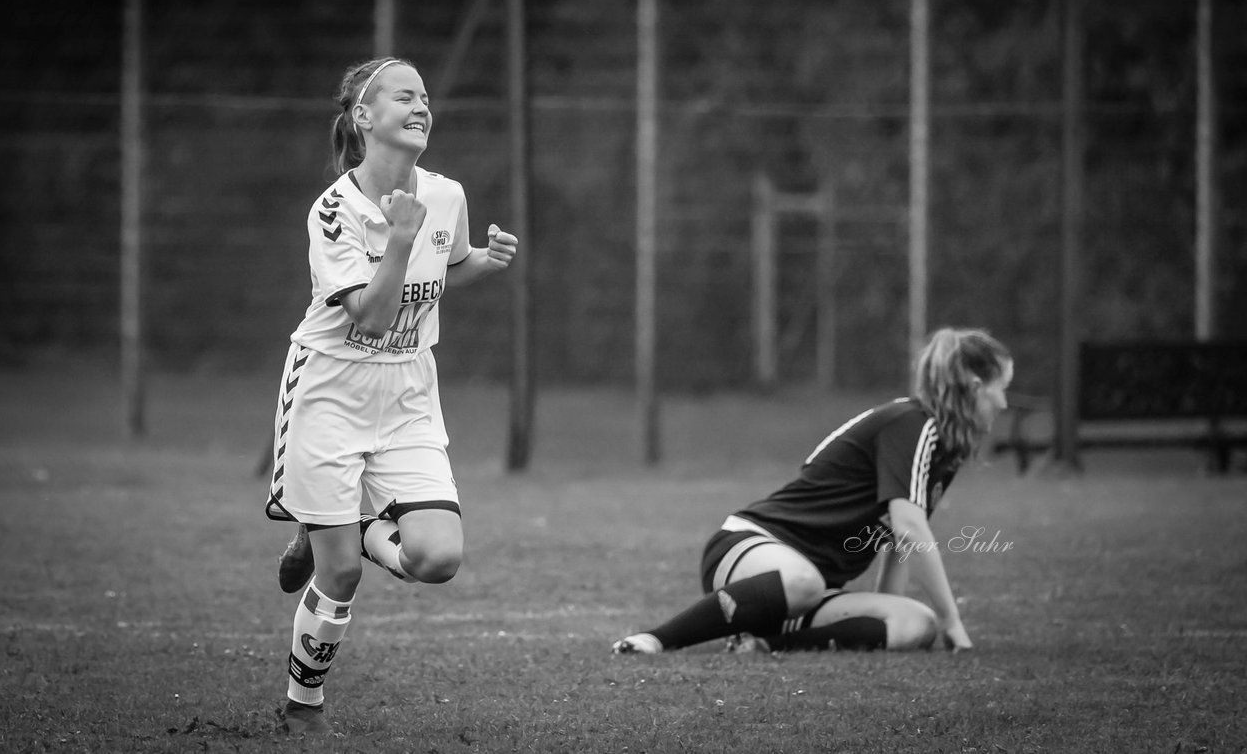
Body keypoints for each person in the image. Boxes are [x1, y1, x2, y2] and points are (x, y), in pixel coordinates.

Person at [263, 57, 519, 736]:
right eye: (404, 96)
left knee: (437, 557)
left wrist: (481, 263)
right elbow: (371, 316)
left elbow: (445, 266)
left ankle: (329, 524)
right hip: (330, 388)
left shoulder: (447, 194)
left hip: (408, 388)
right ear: (363, 118)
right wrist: (400, 237)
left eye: (426, 97)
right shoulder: (333, 212)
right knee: (340, 575)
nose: (422, 106)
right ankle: (302, 706)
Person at [612, 327, 1012, 656]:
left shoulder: (944, 452)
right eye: (1002, 388)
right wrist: (954, 625)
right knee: (805, 581)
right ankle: (656, 639)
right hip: (747, 549)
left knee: (915, 623)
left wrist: (896, 607)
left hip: (808, 587)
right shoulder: (912, 425)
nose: (1004, 403)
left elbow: (900, 538)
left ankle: (764, 644)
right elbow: (910, 528)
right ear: (976, 387)